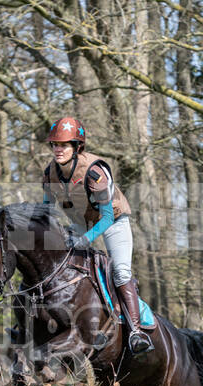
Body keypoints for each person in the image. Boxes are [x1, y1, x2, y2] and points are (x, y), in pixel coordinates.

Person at [42, 116, 154, 355]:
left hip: (112, 221)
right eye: (55, 145)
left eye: (64, 144)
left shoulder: (95, 172)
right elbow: (46, 213)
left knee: (120, 271)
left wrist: (85, 239)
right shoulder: (50, 173)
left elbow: (105, 218)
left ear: (77, 147)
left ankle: (136, 332)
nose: (58, 149)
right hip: (81, 223)